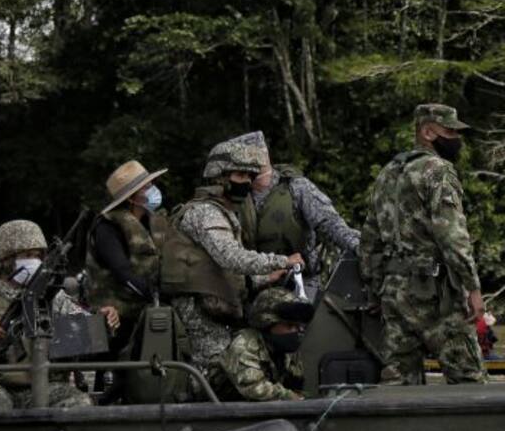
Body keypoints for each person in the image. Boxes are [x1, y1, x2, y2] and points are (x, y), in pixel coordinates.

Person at [159, 137, 303, 389]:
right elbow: (231, 257)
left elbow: (220, 270)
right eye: (240, 175)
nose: (247, 182)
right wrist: (281, 261)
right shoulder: (204, 213)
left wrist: (264, 279)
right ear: (219, 177)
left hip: (216, 306)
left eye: (250, 176)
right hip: (200, 312)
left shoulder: (224, 212)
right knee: (217, 376)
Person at [360, 104, 486, 385]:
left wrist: (373, 288)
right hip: (434, 293)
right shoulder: (437, 170)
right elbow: (452, 235)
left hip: (394, 292)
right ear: (428, 132)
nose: (456, 138)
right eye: (450, 131)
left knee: (398, 384)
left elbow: (370, 239)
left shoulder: (387, 174)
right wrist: (473, 288)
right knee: (468, 380)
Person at [0, 220, 116, 411]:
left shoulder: (51, 296)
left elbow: (85, 332)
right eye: (27, 255)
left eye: (39, 256)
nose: (35, 261)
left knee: (78, 403)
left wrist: (103, 320)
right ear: (6, 259)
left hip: (39, 385)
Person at [245, 132, 361, 278]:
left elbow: (331, 223)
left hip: (300, 278)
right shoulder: (237, 196)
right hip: (254, 280)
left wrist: (360, 247)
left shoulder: (296, 186)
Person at [85, 159, 168, 351]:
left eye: (151, 185)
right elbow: (121, 271)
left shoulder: (154, 221)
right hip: (114, 316)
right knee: (111, 373)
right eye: (145, 187)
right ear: (131, 197)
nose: (152, 190)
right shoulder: (107, 226)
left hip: (145, 312)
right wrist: (153, 294)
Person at [218, 286, 309, 401]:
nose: (297, 331)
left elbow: (296, 382)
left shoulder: (285, 349)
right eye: (290, 325)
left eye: (298, 326)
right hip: (218, 410)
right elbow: (254, 389)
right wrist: (289, 397)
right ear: (267, 323)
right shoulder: (244, 345)